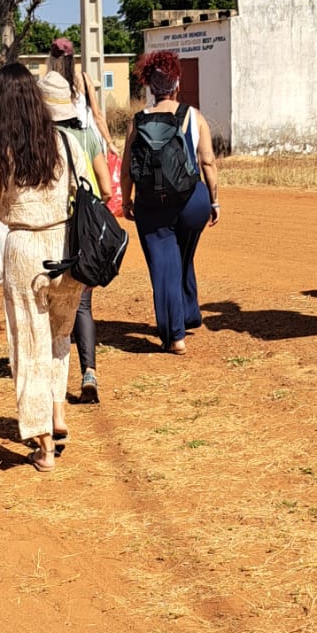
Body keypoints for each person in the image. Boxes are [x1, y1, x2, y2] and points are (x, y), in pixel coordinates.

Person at [0, 62, 83, 475]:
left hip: (23, 251)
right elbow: (79, 190)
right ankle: (57, 410)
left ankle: (44, 442)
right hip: (67, 249)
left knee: (27, 346)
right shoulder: (61, 142)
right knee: (58, 337)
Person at [122, 47, 218, 354]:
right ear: (177, 83)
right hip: (193, 202)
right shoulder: (193, 116)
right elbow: (208, 162)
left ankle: (176, 335)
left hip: (153, 204)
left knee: (165, 265)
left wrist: (127, 201)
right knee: (183, 254)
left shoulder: (138, 121)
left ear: (150, 87)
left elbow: (126, 169)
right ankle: (189, 313)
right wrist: (214, 201)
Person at [38, 68, 113, 403]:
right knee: (82, 305)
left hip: (47, 234)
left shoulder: (37, 142)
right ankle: (89, 372)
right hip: (83, 235)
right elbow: (108, 188)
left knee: (45, 308)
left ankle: (51, 383)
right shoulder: (87, 137)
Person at [44, 36, 114, 150]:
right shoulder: (83, 79)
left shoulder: (46, 84)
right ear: (72, 60)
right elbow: (97, 115)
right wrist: (109, 142)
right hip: (84, 138)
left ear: (51, 60)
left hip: (57, 141)